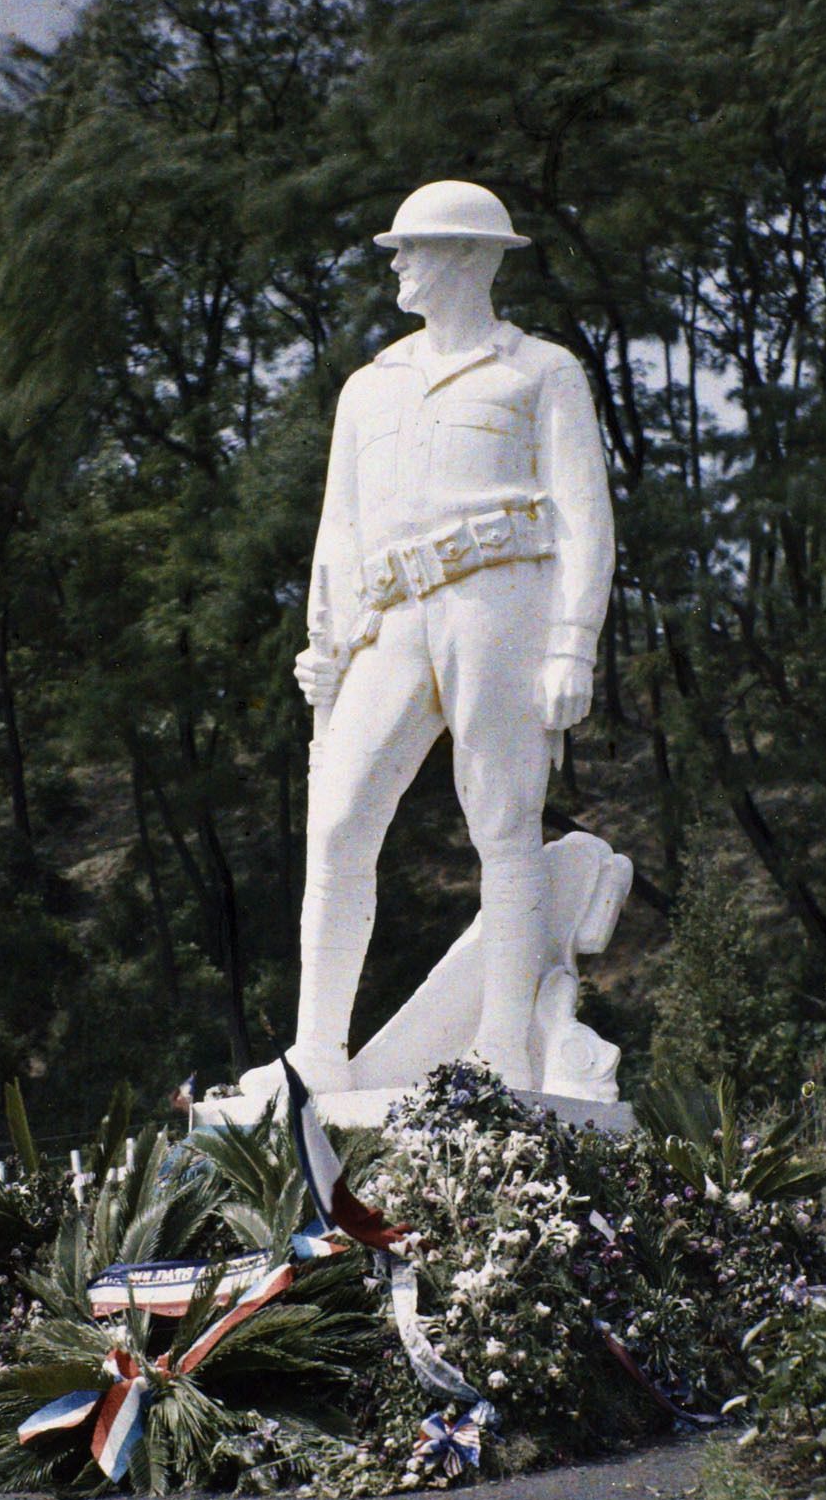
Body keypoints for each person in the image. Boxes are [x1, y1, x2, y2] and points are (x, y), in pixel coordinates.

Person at [247, 180, 615, 1095]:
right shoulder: (369, 388)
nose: (399, 264)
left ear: (470, 257)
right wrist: (323, 643)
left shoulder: (539, 370)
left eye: (415, 248)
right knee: (335, 827)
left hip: (501, 605)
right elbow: (338, 528)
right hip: (389, 617)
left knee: (503, 823)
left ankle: (502, 1047)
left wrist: (573, 641)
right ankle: (317, 1050)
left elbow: (584, 516)